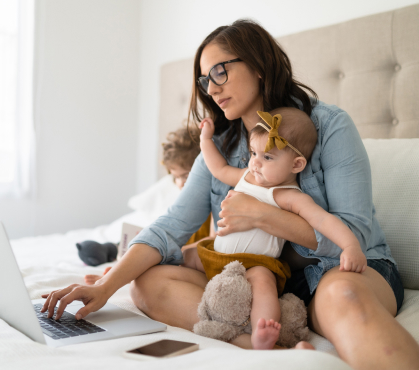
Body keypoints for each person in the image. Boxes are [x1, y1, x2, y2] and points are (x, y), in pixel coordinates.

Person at [41, 19, 419, 369]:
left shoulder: (328, 125)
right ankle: (259, 343)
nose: (213, 86)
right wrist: (108, 286)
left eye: (221, 70)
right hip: (259, 278)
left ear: (258, 65)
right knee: (147, 285)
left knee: (343, 297)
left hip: (343, 270)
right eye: (206, 80)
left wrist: (263, 216)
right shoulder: (219, 147)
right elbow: (173, 224)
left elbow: (352, 235)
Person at [182, 107, 366, 349]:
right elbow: (219, 169)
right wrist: (205, 140)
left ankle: (263, 331)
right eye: (253, 153)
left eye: (267, 157)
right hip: (216, 256)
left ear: (296, 164)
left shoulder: (288, 196)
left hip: (255, 263)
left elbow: (323, 221)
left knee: (264, 285)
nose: (256, 163)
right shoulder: (249, 175)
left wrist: (350, 245)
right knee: (183, 255)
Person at [84, 127, 214, 285]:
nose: (180, 183)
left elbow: (211, 240)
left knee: (150, 268)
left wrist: (164, 255)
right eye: (176, 177)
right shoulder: (181, 205)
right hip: (178, 255)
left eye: (186, 175)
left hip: (194, 260)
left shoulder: (212, 202)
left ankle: (125, 273)